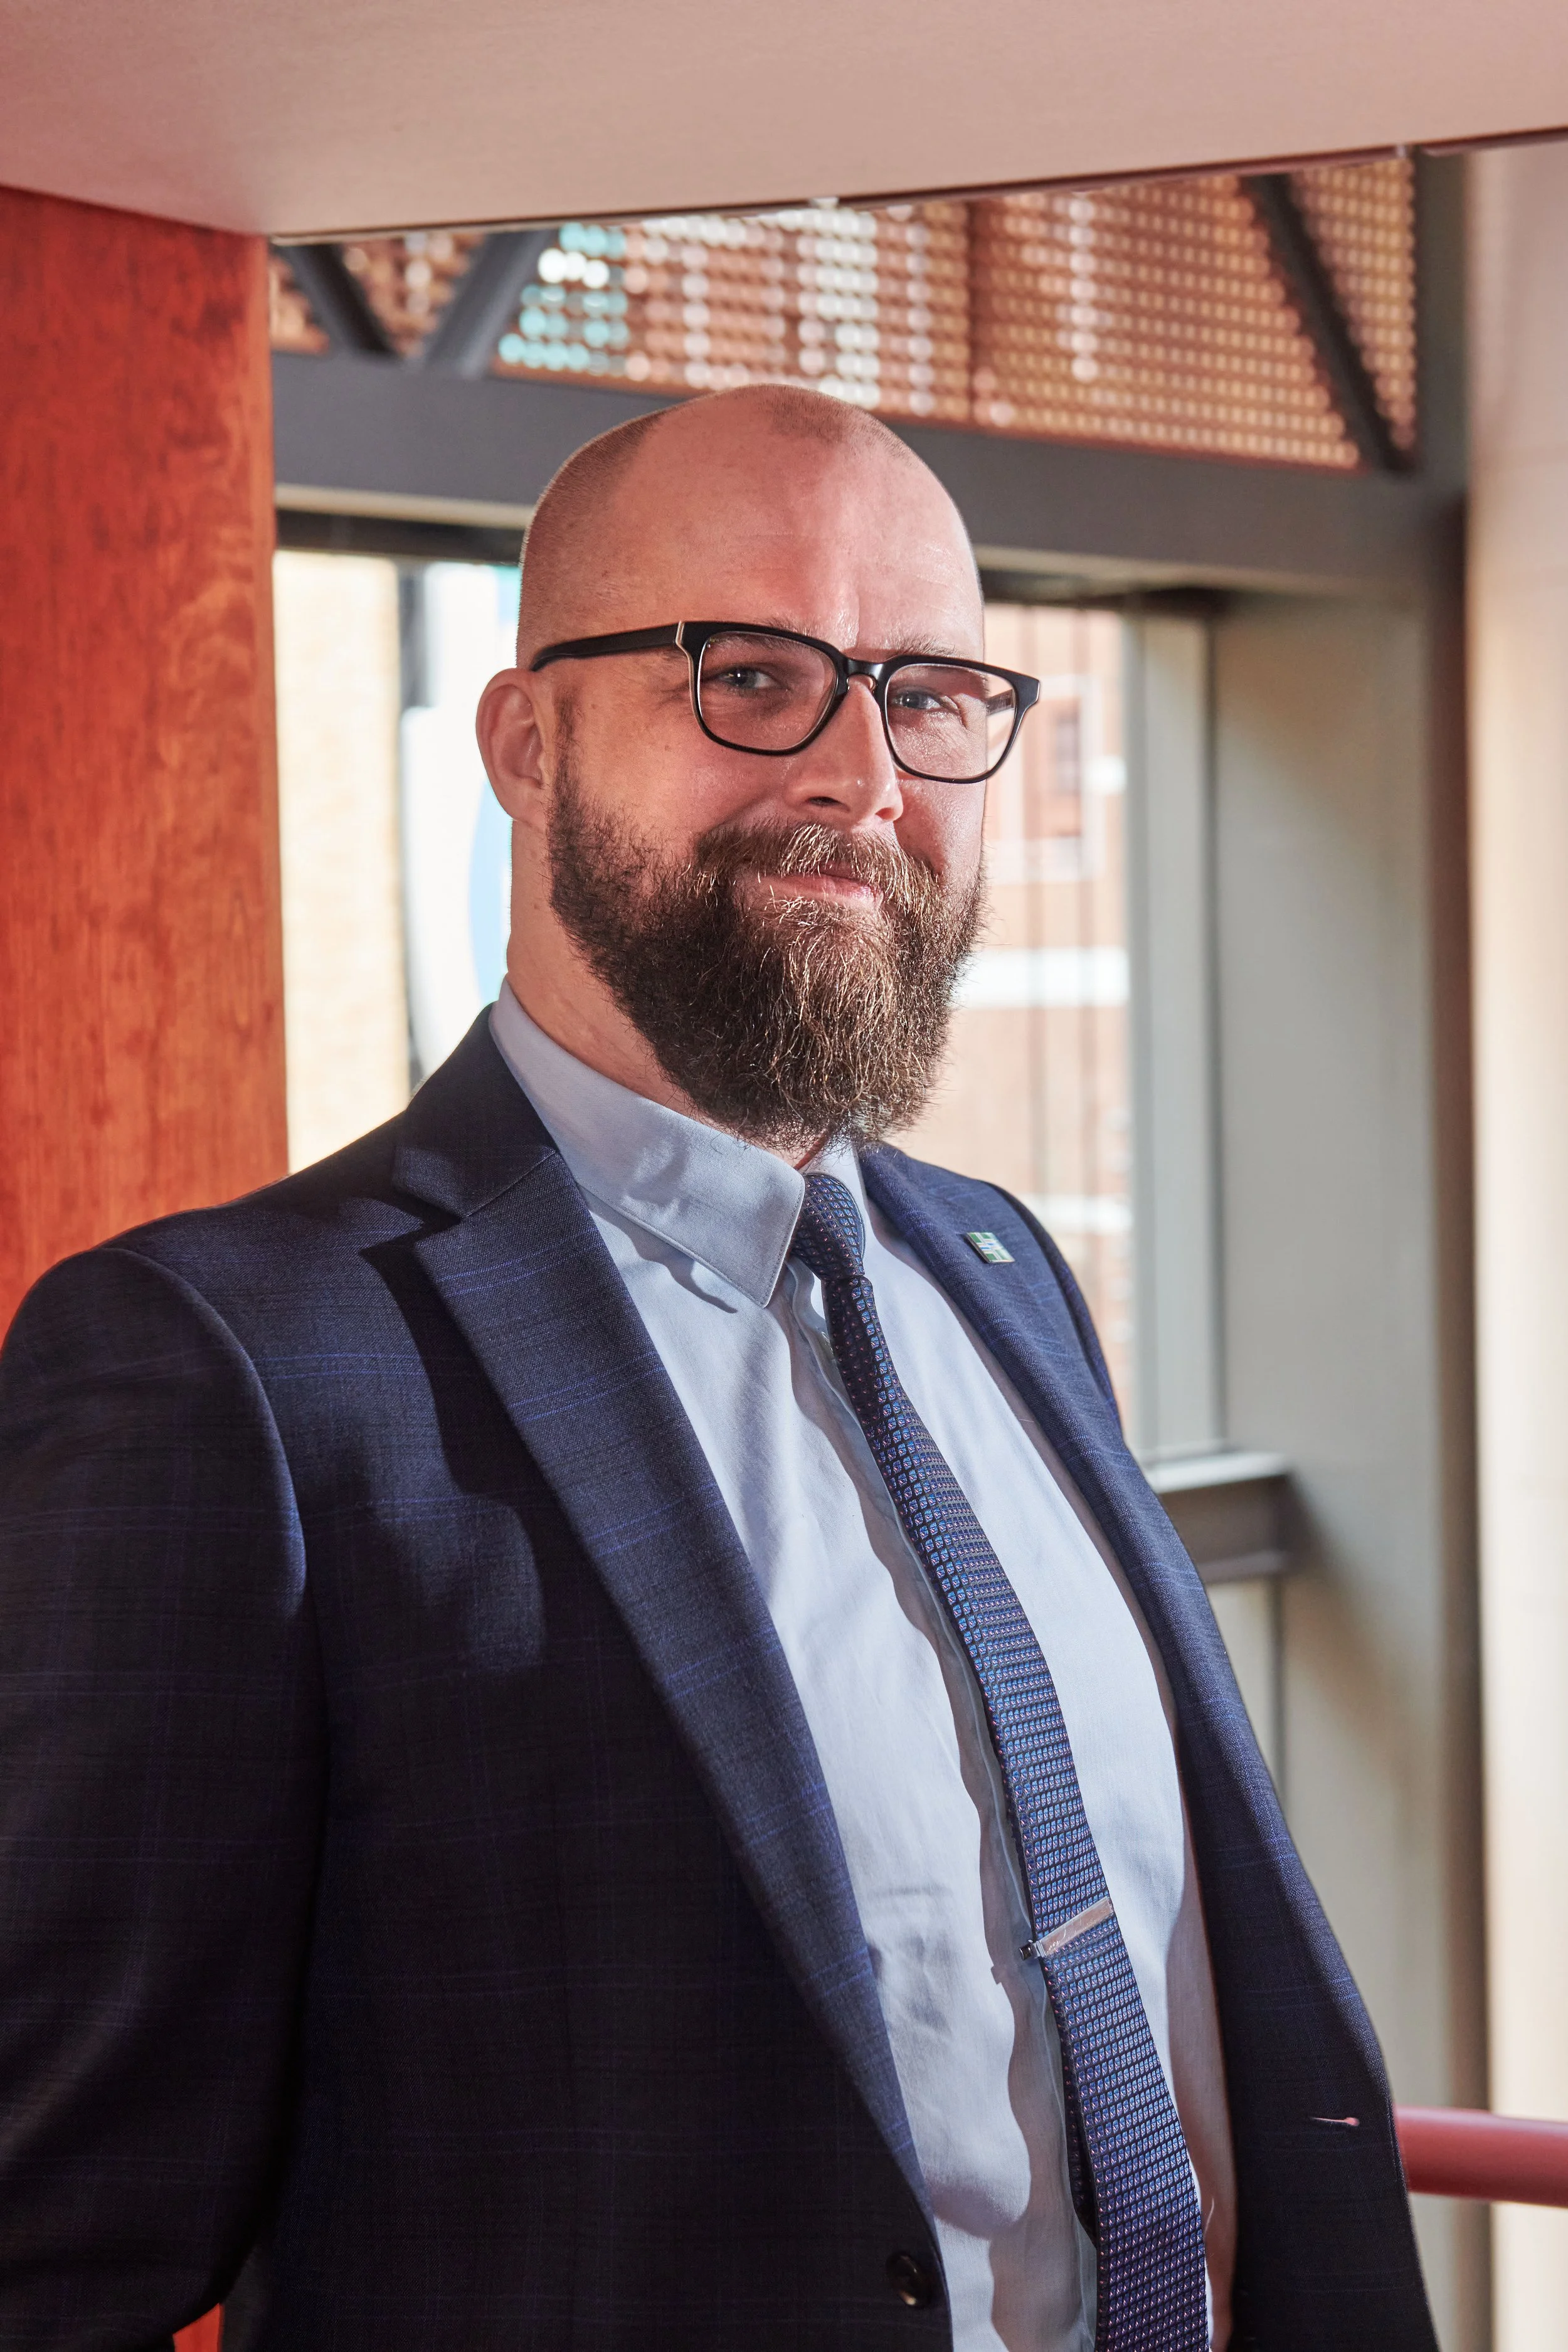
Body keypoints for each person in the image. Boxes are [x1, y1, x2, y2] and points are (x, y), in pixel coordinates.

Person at [0, 385, 1434, 2352]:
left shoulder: (1005, 1271)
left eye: (927, 691)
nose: (858, 773)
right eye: (748, 672)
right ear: (526, 739)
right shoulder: (231, 1368)